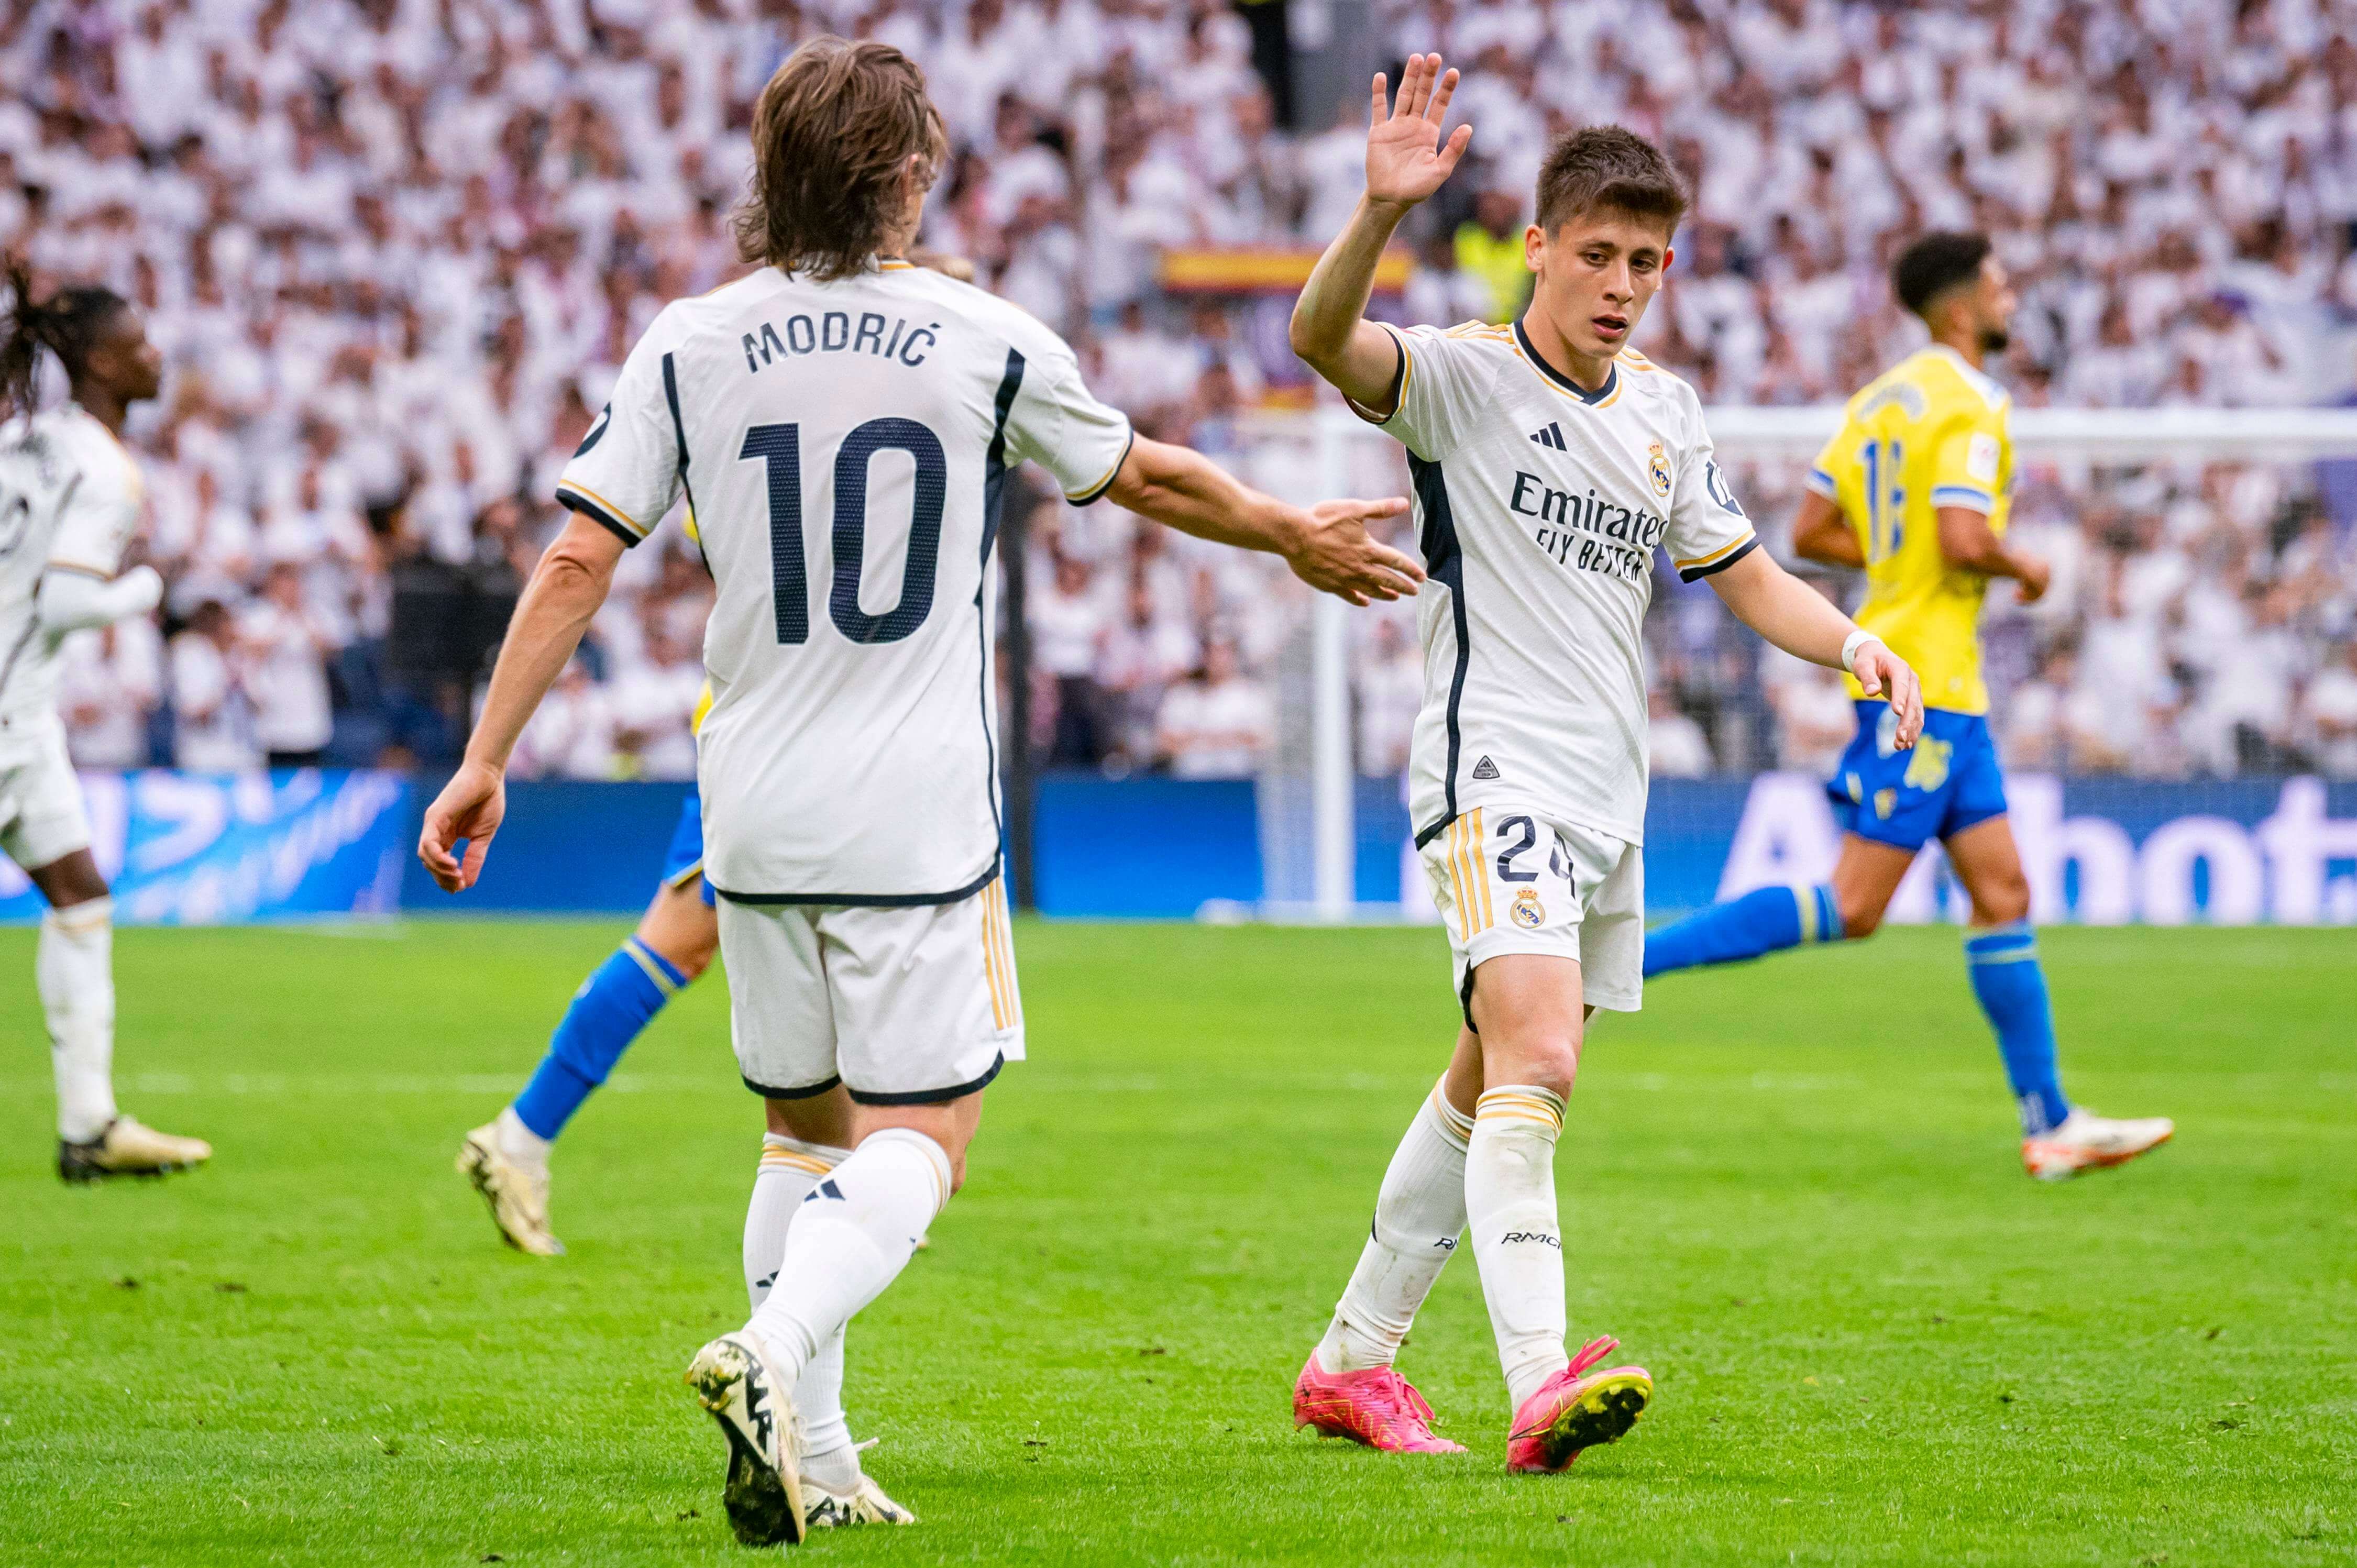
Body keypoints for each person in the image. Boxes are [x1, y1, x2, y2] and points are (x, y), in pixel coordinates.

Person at [417, 37, 1420, 1547]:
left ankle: (814, 1456)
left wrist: (486, 756)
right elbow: (1143, 477)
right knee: (924, 1139)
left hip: (750, 803)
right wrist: (1288, 530)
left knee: (800, 1130)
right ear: (906, 177)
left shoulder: (688, 341)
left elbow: (576, 557)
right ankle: (767, 1349)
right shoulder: (978, 335)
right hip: (914, 808)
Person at [1285, 58, 1924, 1471]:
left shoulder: (1664, 411)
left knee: (1484, 1077)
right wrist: (1378, 213)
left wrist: (1854, 645)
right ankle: (1540, 1380)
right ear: (1537, 247)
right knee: (1543, 1055)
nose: (1621, 284)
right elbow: (1322, 338)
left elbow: (1744, 574)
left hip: (1601, 795)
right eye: (1595, 255)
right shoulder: (1461, 377)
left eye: (1644, 262)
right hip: (1491, 770)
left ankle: (1351, 1362)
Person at [1642, 231, 2176, 1183]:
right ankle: (1627, 961)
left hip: (1933, 674)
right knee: (1854, 904)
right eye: (2000, 286)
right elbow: (1964, 537)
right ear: (1962, 307)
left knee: (2002, 892)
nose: (2012, 299)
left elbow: (1813, 527)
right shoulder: (1975, 403)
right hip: (1924, 682)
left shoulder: (1877, 401)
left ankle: (2052, 1122)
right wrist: (2026, 565)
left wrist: (1898, 558)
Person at [0, 260, 211, 1181]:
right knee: (80, 895)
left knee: (80, 893)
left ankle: (89, 1125)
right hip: (7, 712)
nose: (156, 357)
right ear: (99, 363)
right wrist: (147, 587)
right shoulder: (106, 469)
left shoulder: (27, 437)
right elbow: (65, 602)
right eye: (139, 346)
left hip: (25, 715)